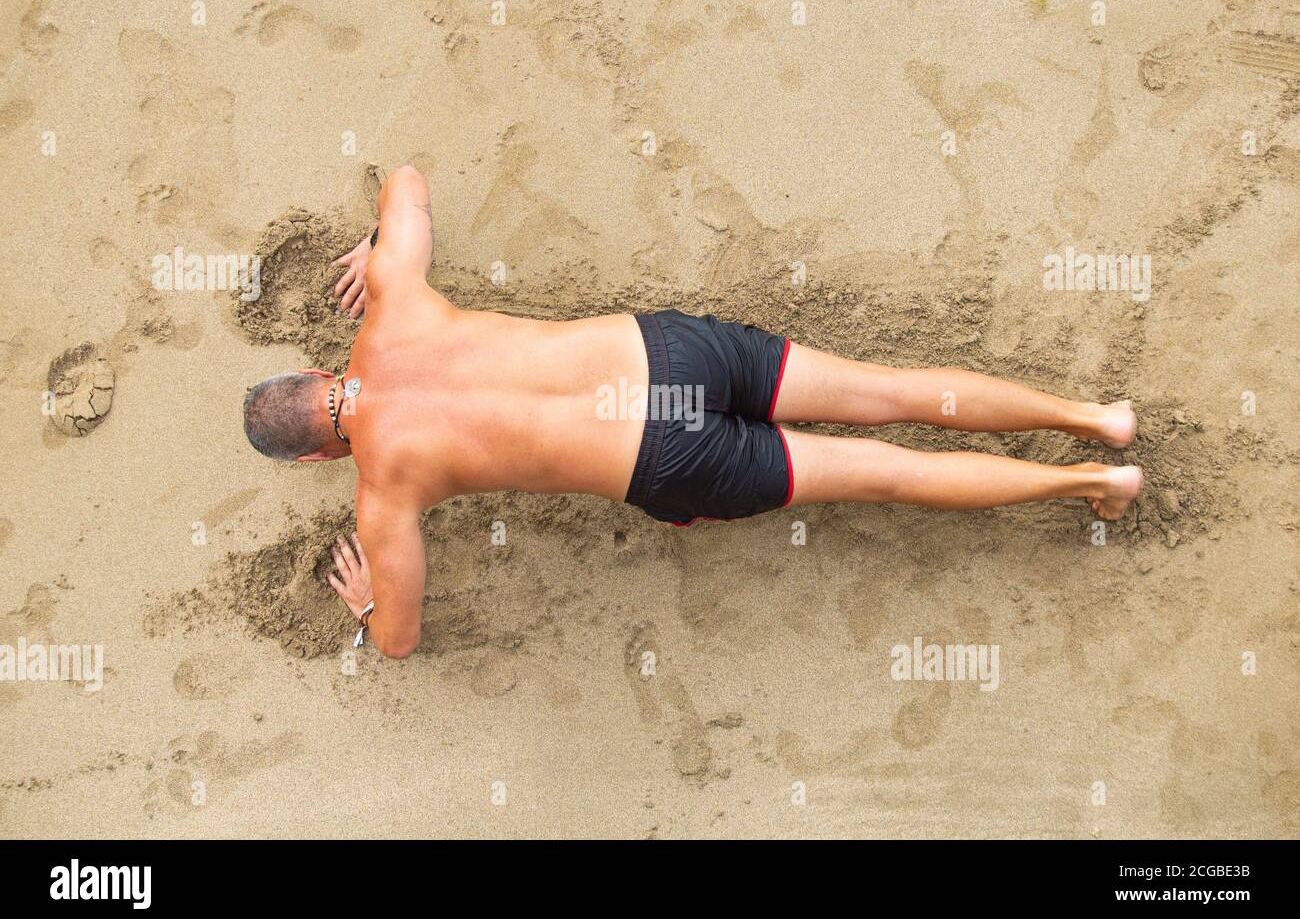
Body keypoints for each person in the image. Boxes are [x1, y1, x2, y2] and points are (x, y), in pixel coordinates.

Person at [243, 166, 1142, 658]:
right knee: (892, 389)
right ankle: (1098, 418)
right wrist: (374, 248)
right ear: (318, 368)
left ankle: (1097, 482)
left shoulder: (382, 491)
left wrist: (367, 607)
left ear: (315, 458)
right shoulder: (395, 304)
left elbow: (400, 640)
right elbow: (407, 178)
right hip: (666, 354)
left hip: (664, 458)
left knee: (887, 472)